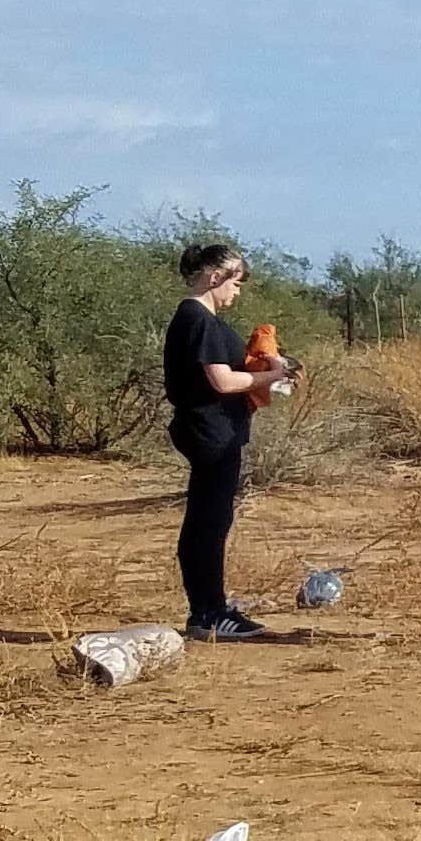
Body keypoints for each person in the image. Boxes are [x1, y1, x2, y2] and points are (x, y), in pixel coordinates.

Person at [162, 242, 297, 641]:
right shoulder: (198, 319)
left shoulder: (199, 319)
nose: (236, 292)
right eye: (235, 282)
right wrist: (269, 378)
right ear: (215, 276)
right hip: (210, 431)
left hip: (214, 430)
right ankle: (208, 613)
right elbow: (221, 381)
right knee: (209, 521)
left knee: (209, 518)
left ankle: (208, 608)